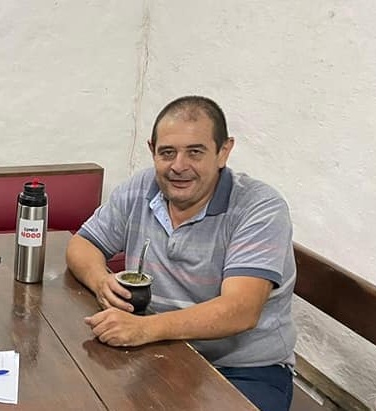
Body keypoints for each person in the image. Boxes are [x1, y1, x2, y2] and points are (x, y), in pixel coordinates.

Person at [66, 95, 296, 411]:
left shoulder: (259, 207)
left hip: (243, 371)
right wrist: (100, 280)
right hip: (158, 351)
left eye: (195, 152)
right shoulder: (141, 187)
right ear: (152, 151)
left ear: (223, 152)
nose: (178, 166)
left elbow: (241, 309)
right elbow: (83, 244)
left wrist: (143, 329)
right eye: (167, 153)